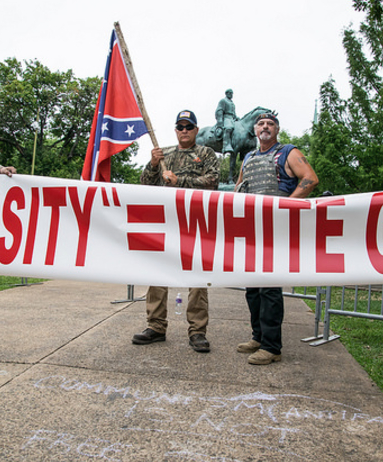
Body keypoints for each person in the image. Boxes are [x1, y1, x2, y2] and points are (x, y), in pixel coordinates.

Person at [234, 113, 318, 365]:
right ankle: (258, 338)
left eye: (270, 124)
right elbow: (239, 188)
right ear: (255, 130)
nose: (265, 127)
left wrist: (285, 207)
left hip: (274, 227)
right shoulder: (248, 157)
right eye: (261, 124)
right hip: (251, 227)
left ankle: (272, 347)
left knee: (269, 287)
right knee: (252, 287)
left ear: (277, 129)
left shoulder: (288, 152)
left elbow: (310, 179)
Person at [132, 110, 219, 353]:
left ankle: (197, 331)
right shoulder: (164, 154)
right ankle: (156, 327)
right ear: (175, 130)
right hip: (165, 221)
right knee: (157, 274)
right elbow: (145, 184)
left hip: (195, 222)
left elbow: (213, 181)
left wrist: (179, 181)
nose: (184, 130)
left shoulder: (205, 154)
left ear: (196, 130)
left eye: (188, 126)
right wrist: (152, 164)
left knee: (197, 278)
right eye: (180, 127)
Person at [215, 89, 238, 155]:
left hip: (232, 118)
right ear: (227, 93)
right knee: (228, 128)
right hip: (226, 117)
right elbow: (219, 111)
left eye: (232, 93)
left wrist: (236, 117)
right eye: (230, 93)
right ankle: (226, 146)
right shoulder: (223, 101)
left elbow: (234, 113)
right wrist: (220, 121)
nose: (231, 95)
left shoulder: (232, 103)